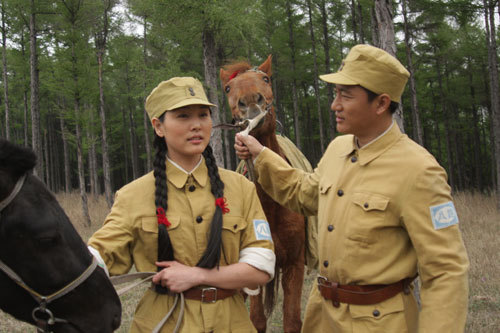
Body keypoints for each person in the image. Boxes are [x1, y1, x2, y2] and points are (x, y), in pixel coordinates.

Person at [235, 44, 469, 332]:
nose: (335, 105)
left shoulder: (420, 171)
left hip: (378, 324)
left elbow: (446, 271)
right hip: (323, 318)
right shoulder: (339, 149)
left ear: (381, 103)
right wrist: (260, 154)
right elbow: (305, 192)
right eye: (335, 94)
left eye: (346, 96)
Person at [88, 77, 275, 332]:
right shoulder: (132, 196)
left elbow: (261, 267)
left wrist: (198, 275)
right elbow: (97, 259)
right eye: (183, 116)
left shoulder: (241, 188)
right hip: (163, 323)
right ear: (159, 126)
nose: (197, 125)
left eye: (203, 114)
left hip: (231, 324)